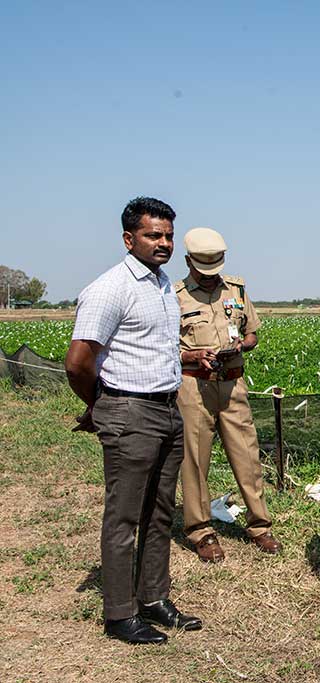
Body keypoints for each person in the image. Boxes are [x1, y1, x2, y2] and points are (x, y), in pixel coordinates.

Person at [64, 196, 201, 645]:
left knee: (159, 512)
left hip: (166, 408)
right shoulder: (111, 288)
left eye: (167, 235)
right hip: (130, 410)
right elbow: (78, 362)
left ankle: (153, 598)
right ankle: (120, 614)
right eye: (152, 235)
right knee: (124, 516)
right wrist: (102, 404)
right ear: (129, 238)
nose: (163, 243)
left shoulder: (161, 285)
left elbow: (150, 348)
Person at [175, 227, 282, 562]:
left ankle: (260, 526)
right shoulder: (173, 295)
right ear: (188, 261)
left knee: (247, 456)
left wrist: (241, 345)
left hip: (233, 383)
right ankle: (201, 531)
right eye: (202, 269)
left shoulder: (236, 288)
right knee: (194, 461)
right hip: (194, 386)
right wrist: (191, 355)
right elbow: (163, 347)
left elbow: (252, 334)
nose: (209, 277)